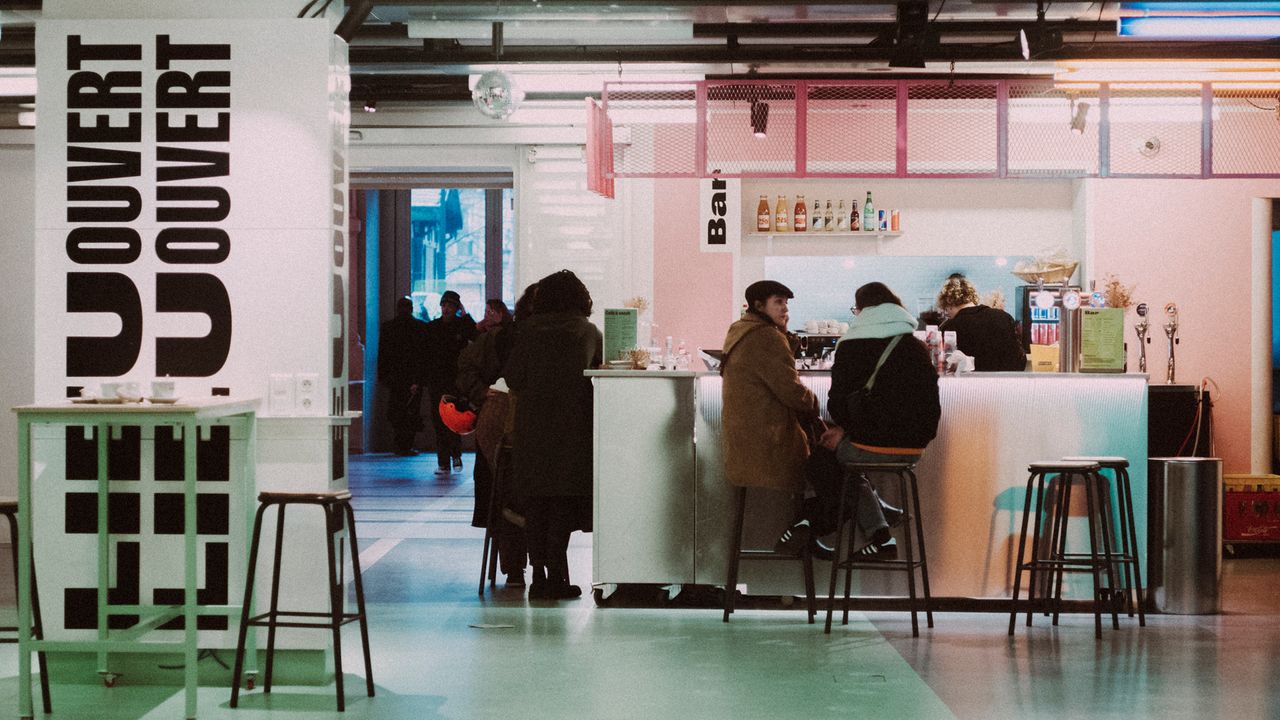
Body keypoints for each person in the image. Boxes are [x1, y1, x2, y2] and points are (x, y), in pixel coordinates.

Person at [803, 282, 940, 559]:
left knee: (820, 457)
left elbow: (838, 406)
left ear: (862, 310)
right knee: (844, 459)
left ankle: (814, 527)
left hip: (871, 447)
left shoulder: (851, 346)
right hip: (915, 448)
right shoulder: (914, 345)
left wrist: (845, 430)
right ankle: (881, 527)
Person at [503, 270, 602, 600]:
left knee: (536, 501)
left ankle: (539, 577)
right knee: (562, 501)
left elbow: (514, 378)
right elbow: (597, 378)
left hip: (533, 426)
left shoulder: (528, 331)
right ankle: (558, 574)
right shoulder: (588, 332)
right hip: (572, 425)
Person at [721, 280, 821, 552]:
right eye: (778, 302)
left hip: (743, 443)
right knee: (826, 461)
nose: (785, 308)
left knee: (822, 456)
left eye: (786, 303)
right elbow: (792, 392)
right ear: (758, 305)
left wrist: (784, 332)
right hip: (768, 442)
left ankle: (808, 531)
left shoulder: (741, 329)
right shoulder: (766, 337)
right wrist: (815, 402)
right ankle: (807, 529)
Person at [457, 296, 525, 586]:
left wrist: (482, 393)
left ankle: (512, 567)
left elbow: (464, 369)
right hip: (509, 422)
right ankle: (532, 567)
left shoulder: (491, 339)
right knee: (514, 492)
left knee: (500, 494)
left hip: (493, 421)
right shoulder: (508, 339)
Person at [424, 290, 478, 473]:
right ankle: (443, 461)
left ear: (456, 308)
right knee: (439, 420)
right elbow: (424, 356)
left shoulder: (461, 327)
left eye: (451, 306)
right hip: (437, 381)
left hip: (455, 381)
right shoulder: (432, 328)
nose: (446, 309)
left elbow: (475, 335)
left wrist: (466, 316)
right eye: (444, 305)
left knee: (455, 419)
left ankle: (455, 455)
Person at [936, 275, 1026, 371]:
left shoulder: (949, 328)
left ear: (949, 301)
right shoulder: (1003, 317)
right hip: (1004, 382)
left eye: (945, 308)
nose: (947, 313)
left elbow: (946, 366)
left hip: (970, 384)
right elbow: (1019, 360)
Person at [377, 297, 428, 455]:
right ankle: (406, 445)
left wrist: (383, 376)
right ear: (411, 308)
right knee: (411, 411)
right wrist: (419, 379)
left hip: (395, 377)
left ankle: (399, 444)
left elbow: (383, 354)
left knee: (396, 410)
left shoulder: (388, 328)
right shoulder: (420, 327)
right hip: (413, 377)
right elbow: (422, 356)